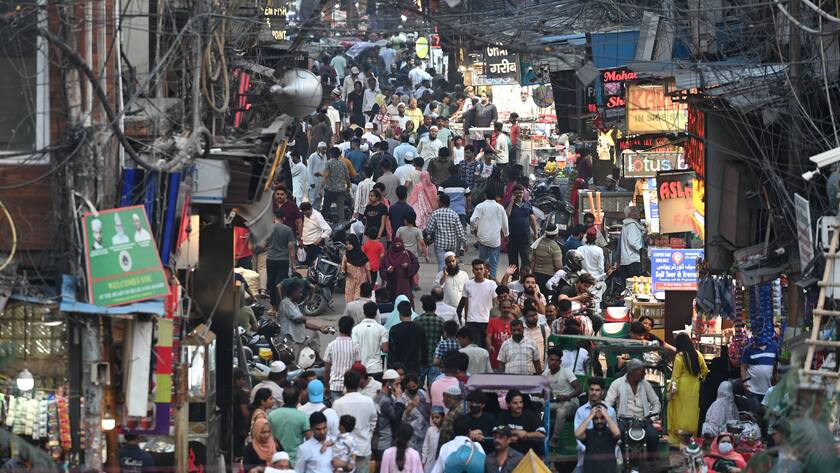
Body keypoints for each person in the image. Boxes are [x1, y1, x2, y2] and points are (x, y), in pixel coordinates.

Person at [604, 359, 661, 456]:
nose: (644, 373)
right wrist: (612, 419)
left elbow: (656, 402)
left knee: (653, 436)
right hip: (623, 420)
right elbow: (607, 404)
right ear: (632, 371)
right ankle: (620, 459)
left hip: (644, 420)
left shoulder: (645, 384)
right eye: (641, 371)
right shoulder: (617, 383)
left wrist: (652, 418)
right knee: (618, 435)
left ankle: (651, 461)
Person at [333, 371, 378, 473]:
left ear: (344, 384)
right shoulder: (368, 401)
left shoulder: (337, 403)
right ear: (358, 383)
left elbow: (336, 426)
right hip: (363, 447)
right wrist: (368, 435)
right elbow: (373, 420)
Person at [668, 332, 709, 445]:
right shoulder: (698, 354)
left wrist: (671, 391)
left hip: (682, 389)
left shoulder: (679, 357)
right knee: (693, 411)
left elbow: (675, 377)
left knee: (680, 412)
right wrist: (698, 379)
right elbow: (705, 371)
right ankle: (692, 436)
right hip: (694, 387)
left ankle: (680, 438)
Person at [545, 348, 582, 449]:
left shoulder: (566, 372)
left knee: (561, 411)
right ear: (547, 360)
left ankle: (555, 439)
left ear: (560, 362)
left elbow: (579, 389)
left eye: (556, 360)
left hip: (570, 403)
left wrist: (568, 396)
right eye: (551, 360)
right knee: (540, 408)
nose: (553, 362)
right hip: (554, 402)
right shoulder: (545, 375)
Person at [469, 189, 509, 280]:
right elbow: (505, 223)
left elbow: (472, 220)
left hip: (482, 238)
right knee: (494, 261)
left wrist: (474, 229)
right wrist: (506, 234)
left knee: (482, 259)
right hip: (495, 239)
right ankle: (493, 278)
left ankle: (482, 277)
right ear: (496, 197)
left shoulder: (480, 206)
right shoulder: (500, 207)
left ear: (485, 196)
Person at [459, 259, 498, 347]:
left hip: (487, 320)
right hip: (472, 321)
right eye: (476, 269)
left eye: (481, 269)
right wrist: (466, 319)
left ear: (484, 270)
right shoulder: (468, 284)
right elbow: (466, 303)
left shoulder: (492, 284)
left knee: (486, 346)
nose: (479, 271)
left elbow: (495, 303)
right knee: (476, 346)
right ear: (473, 270)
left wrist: (495, 319)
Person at [261, 215, 297, 310]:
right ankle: (280, 306)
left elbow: (263, 245)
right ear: (283, 218)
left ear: (273, 218)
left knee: (272, 283)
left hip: (271, 259)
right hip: (283, 260)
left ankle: (273, 307)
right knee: (280, 284)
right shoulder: (288, 230)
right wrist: (293, 263)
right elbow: (291, 247)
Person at [496, 389, 545, 456]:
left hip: (528, 455)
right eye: (515, 403)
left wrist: (527, 434)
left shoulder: (530, 415)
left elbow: (542, 434)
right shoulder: (503, 415)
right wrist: (514, 433)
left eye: (521, 402)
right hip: (507, 456)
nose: (519, 405)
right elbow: (497, 433)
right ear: (508, 404)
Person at [268, 387, 310, 463]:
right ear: (298, 400)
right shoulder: (303, 417)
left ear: (283, 399)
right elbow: (309, 439)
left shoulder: (271, 415)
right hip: (296, 460)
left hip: (276, 458)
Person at [324, 316, 362, 401]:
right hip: (350, 387)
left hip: (335, 385)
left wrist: (326, 386)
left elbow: (327, 369)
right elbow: (358, 367)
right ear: (351, 329)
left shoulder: (331, 345)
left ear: (339, 327)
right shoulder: (355, 345)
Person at [575, 404, 621, 473]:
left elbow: (617, 434)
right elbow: (577, 434)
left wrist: (606, 415)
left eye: (602, 418)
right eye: (596, 418)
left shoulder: (610, 433)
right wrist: (590, 415)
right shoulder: (588, 433)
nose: (599, 421)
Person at [388, 300, 428, 374]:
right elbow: (424, 349)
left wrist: (391, 368)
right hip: (415, 367)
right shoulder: (419, 329)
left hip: (399, 368)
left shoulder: (394, 329)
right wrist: (423, 364)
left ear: (400, 314)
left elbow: (391, 351)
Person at [352, 301, 389, 380]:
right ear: (376, 313)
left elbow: (354, 349)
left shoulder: (356, 329)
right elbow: (385, 349)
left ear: (364, 313)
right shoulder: (381, 329)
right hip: (376, 368)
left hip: (360, 368)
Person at [380, 237, 420, 304]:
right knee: (392, 302)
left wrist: (408, 266)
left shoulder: (407, 254)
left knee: (405, 302)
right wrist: (388, 271)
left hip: (405, 284)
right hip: (392, 285)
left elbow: (416, 265)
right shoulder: (388, 255)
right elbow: (382, 268)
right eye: (396, 244)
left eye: (399, 244)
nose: (397, 246)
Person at [416, 295, 445, 386]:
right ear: (435, 307)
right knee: (433, 386)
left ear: (423, 307)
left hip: (420, 359)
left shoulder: (417, 320)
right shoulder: (440, 321)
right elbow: (444, 339)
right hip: (435, 359)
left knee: (418, 386)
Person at [399, 372, 432, 452]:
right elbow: (403, 419)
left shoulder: (422, 393)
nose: (412, 388)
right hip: (412, 434)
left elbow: (429, 408)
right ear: (406, 386)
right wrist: (410, 408)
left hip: (424, 431)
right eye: (409, 387)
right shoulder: (403, 398)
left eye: (414, 386)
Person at [740, 338, 779, 403]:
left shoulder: (774, 347)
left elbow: (778, 364)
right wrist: (744, 381)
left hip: (768, 391)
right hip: (752, 390)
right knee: (752, 411)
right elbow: (743, 367)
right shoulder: (748, 349)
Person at [372, 376, 399, 467]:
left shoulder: (378, 396)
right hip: (384, 442)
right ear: (388, 385)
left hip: (378, 440)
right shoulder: (385, 400)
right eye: (397, 384)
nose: (399, 387)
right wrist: (399, 399)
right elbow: (396, 417)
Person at [530, 225, 564, 294]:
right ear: (556, 234)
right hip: (549, 278)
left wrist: (532, 274)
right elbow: (558, 267)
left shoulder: (538, 243)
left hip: (536, 275)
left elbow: (533, 261)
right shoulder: (555, 247)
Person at [321, 147, 352, 222]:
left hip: (330, 189)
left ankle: (325, 221)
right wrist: (348, 187)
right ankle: (342, 223)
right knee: (340, 207)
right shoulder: (343, 164)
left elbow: (326, 176)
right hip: (341, 189)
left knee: (326, 206)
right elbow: (347, 177)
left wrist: (321, 188)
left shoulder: (329, 163)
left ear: (331, 154)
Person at [300, 202, 331, 268]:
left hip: (315, 244)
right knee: (309, 265)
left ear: (311, 209)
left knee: (316, 265)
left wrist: (319, 239)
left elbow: (328, 229)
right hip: (307, 244)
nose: (306, 215)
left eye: (307, 213)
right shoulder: (304, 215)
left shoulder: (317, 216)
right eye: (305, 214)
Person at [342, 234, 370, 303]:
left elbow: (368, 269)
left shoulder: (363, 256)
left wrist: (370, 281)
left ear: (354, 244)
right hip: (350, 282)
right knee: (349, 301)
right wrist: (344, 272)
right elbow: (343, 268)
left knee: (359, 301)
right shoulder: (346, 256)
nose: (348, 246)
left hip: (361, 282)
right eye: (346, 244)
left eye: (350, 244)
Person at [486, 299, 513, 371]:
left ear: (511, 308)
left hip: (510, 359)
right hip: (495, 358)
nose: (506, 310)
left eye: (508, 307)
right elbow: (488, 336)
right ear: (500, 309)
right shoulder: (492, 321)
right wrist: (489, 346)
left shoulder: (514, 322)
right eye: (504, 307)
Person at [619, 206, 645, 279]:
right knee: (633, 283)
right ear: (629, 214)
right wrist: (641, 249)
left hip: (626, 260)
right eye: (636, 211)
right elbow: (633, 242)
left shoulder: (627, 224)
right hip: (632, 260)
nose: (638, 213)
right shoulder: (632, 225)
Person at [422, 406, 444, 473]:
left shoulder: (445, 431)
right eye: (433, 418)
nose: (434, 420)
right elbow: (425, 446)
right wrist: (423, 461)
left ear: (443, 417)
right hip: (430, 462)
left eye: (437, 417)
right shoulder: (430, 430)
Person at [307, 142, 329, 209]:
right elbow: (309, 169)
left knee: (319, 197)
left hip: (321, 181)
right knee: (312, 198)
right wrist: (311, 182)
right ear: (318, 149)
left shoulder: (325, 156)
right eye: (323, 149)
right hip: (314, 180)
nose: (324, 151)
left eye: (325, 149)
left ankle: (317, 212)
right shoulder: (313, 156)